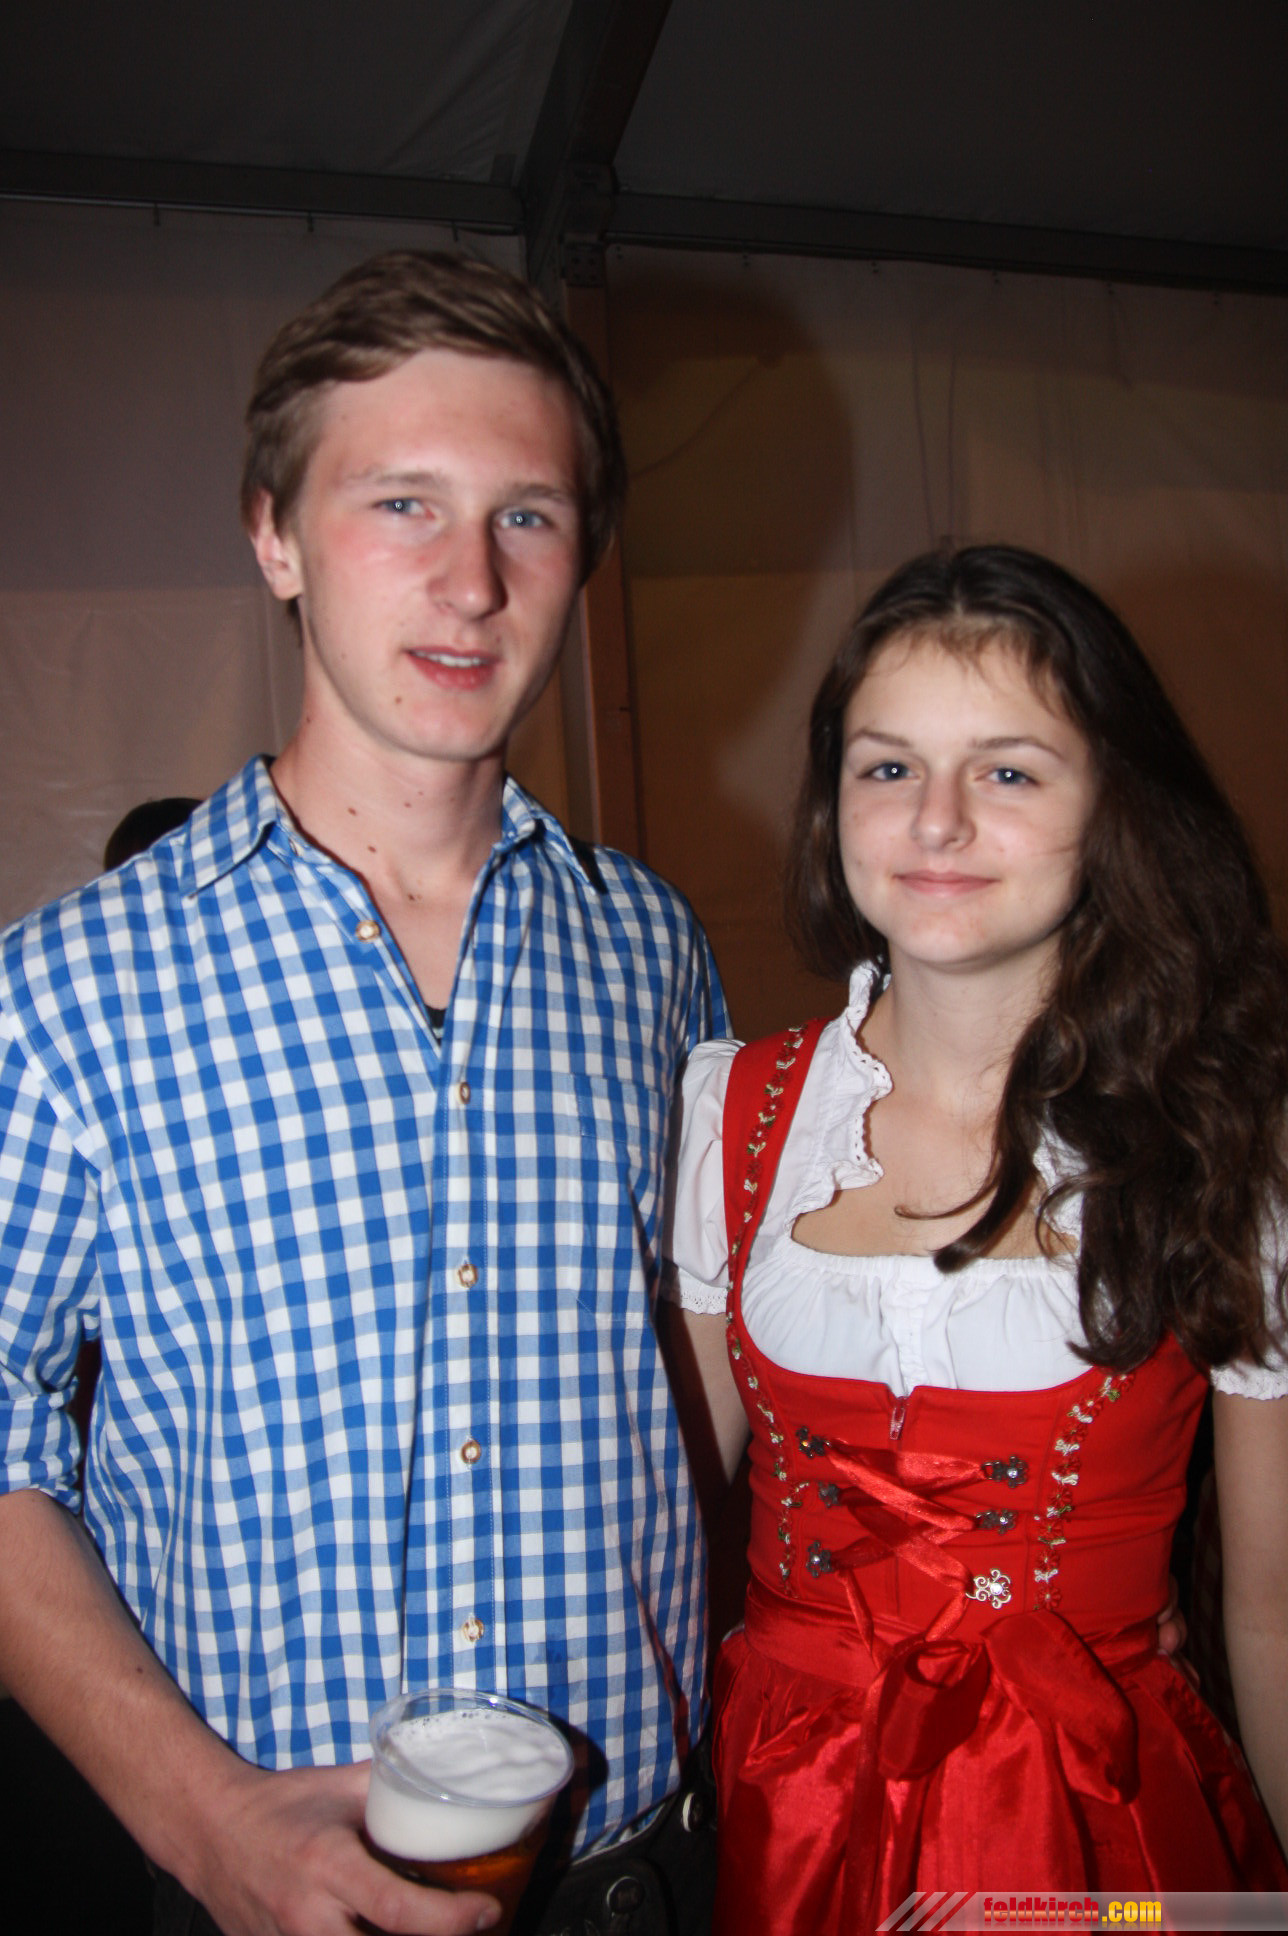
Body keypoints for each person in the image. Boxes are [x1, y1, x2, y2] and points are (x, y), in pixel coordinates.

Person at [0, 252, 726, 1936]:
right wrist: (206, 1826)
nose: (471, 582)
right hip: (262, 1890)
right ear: (274, 536)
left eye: (528, 516)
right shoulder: (66, 991)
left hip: (642, 1882)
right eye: (403, 503)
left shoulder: (654, 951)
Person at [663, 544, 1288, 1932]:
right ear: (831, 806)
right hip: (786, 1815)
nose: (936, 822)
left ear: (1113, 807)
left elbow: (1273, 1610)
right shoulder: (732, 1117)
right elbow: (666, 1524)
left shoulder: (1231, 1140)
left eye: (1008, 771)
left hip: (1096, 1838)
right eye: (888, 767)